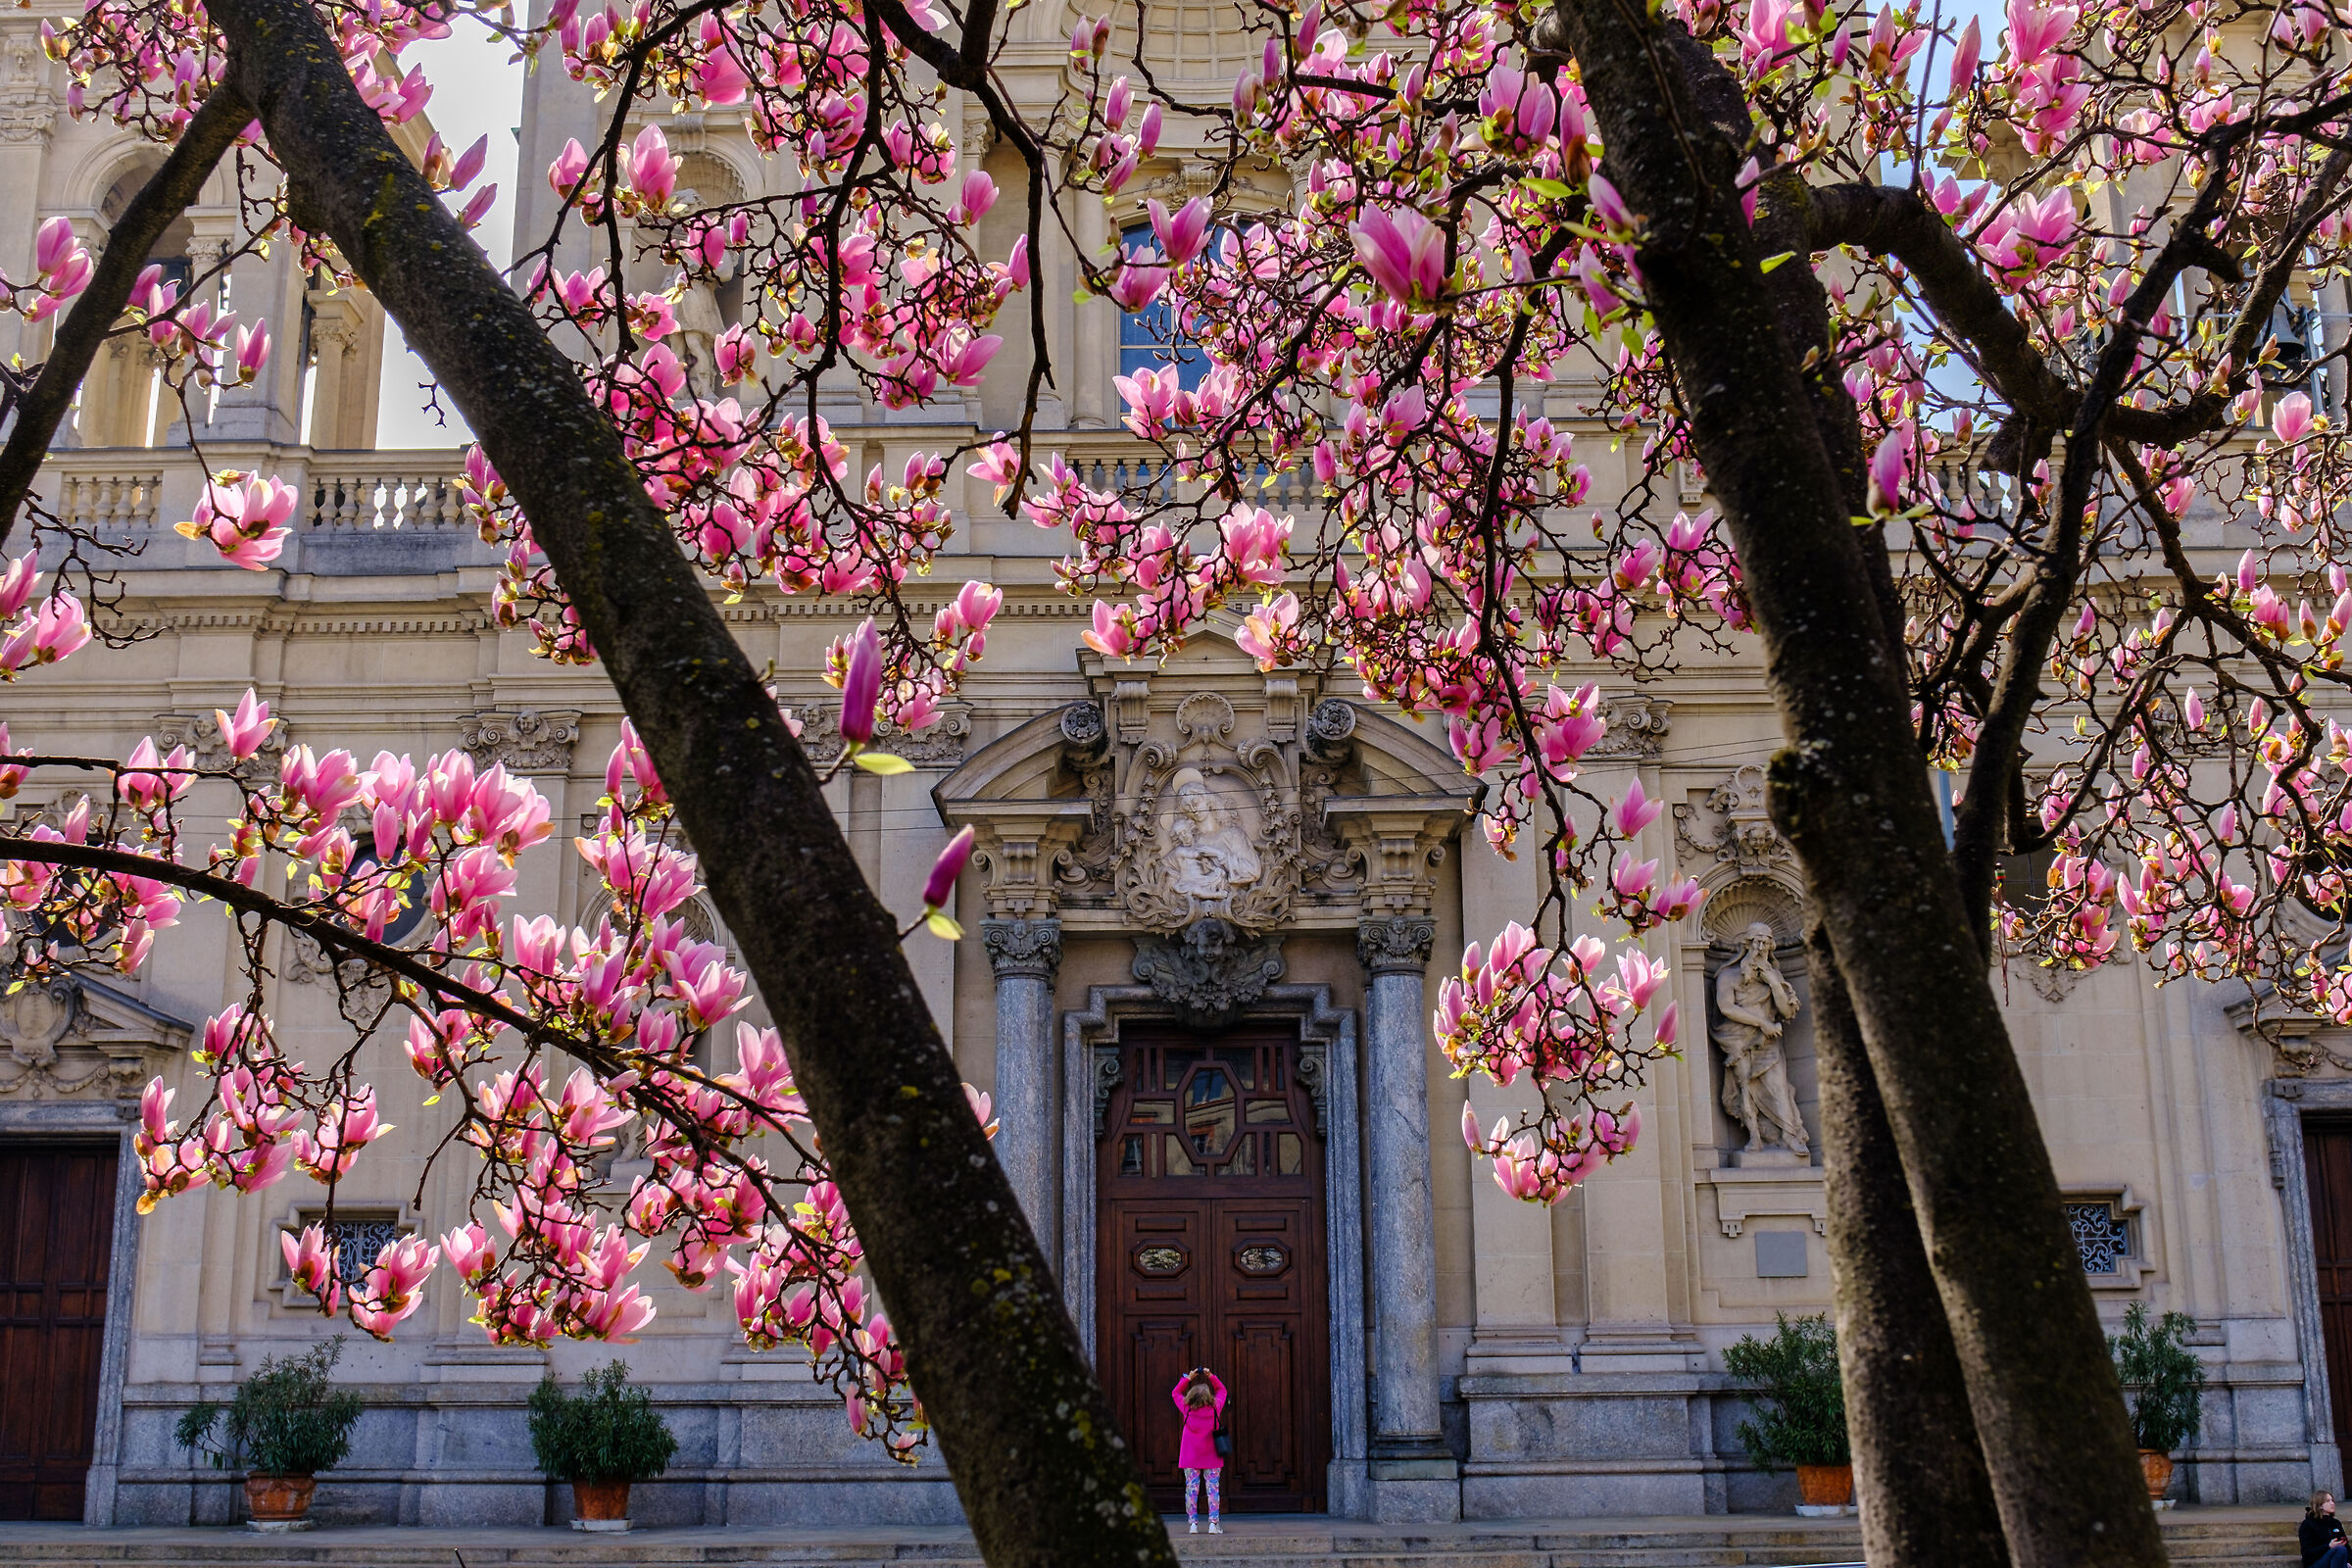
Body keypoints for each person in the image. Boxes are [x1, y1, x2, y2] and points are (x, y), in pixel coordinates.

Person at [1170, 1366, 1227, 1533]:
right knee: (1213, 1489)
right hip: (1212, 1455)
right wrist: (1211, 1376)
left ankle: (1193, 1523)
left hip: (1190, 1456)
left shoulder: (1186, 1409)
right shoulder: (1216, 1408)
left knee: (1191, 1490)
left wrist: (1188, 1377)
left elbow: (1175, 1392)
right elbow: (1222, 1389)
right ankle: (1213, 1523)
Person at [2304, 1491, 2349, 1568]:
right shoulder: (2307, 1524)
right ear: (2320, 1505)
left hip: (2336, 1561)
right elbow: (2307, 1553)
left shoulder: (2336, 1523)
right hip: (2316, 1563)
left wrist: (2349, 1562)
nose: (2332, 1503)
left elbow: (2347, 1547)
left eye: (2332, 1500)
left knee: (2341, 1551)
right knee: (2340, 1550)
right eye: (2328, 1501)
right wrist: (2328, 1546)